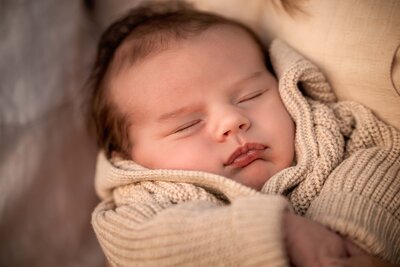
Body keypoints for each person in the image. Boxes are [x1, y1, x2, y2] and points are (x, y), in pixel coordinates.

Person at [87, 1, 400, 266]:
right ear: (129, 157)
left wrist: (342, 238)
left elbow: (379, 162)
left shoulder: (325, 135)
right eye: (187, 124)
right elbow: (140, 243)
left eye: (250, 96)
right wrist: (279, 234)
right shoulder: (142, 202)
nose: (231, 121)